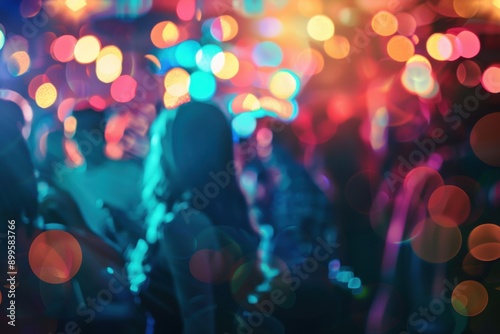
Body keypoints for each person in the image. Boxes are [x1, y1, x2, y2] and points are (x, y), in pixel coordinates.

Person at [127, 101, 259, 334]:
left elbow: (199, 322)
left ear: (180, 150)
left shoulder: (183, 224)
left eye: (161, 137)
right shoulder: (218, 212)